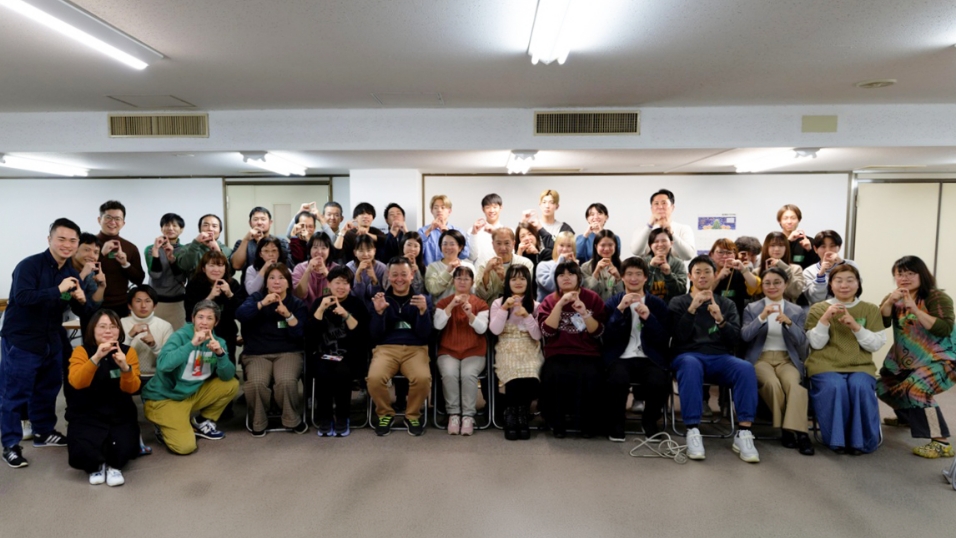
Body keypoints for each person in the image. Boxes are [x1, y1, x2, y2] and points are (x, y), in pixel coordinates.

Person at [1, 218, 86, 469]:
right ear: (49, 239)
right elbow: (22, 297)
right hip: (23, 340)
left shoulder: (71, 272)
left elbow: (78, 310)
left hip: (51, 339)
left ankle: (43, 432)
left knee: (48, 390)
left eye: (72, 240)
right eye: (61, 238)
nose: (67, 244)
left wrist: (81, 300)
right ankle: (10, 445)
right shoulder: (29, 265)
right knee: (14, 394)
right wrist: (57, 289)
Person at [668, 255, 760, 463]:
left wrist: (720, 320)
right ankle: (692, 430)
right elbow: (677, 337)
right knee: (690, 364)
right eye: (697, 272)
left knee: (745, 368)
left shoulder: (726, 304)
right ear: (690, 276)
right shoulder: (678, 302)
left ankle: (744, 432)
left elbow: (735, 339)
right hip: (687, 355)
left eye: (707, 272)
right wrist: (691, 310)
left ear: (714, 275)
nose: (702, 276)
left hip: (720, 357)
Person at [877, 256, 956, 458]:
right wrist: (889, 302)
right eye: (899, 273)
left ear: (922, 275)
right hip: (907, 360)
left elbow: (944, 328)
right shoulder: (895, 297)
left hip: (942, 359)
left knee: (917, 390)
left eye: (910, 273)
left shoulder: (936, 297)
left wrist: (915, 309)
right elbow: (881, 322)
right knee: (883, 387)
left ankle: (940, 441)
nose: (905, 278)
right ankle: (908, 418)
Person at [805, 264, 885, 454]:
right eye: (838, 281)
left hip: (860, 366)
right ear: (831, 285)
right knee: (834, 386)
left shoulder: (870, 309)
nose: (844, 285)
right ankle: (837, 440)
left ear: (858, 284)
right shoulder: (818, 309)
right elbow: (815, 344)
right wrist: (824, 319)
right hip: (824, 365)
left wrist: (856, 327)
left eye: (850, 280)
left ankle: (861, 442)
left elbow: (875, 344)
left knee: (860, 386)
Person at [142, 301, 240, 455]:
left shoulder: (218, 342)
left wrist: (220, 354)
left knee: (231, 384)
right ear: (193, 318)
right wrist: (192, 343)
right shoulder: (180, 336)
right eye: (200, 317)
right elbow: (164, 365)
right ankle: (161, 425)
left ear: (216, 322)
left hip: (190, 394)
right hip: (164, 399)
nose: (204, 322)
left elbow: (227, 376)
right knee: (186, 447)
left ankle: (201, 422)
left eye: (209, 318)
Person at [741, 267, 813, 455]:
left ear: (785, 284)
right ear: (762, 285)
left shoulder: (796, 310)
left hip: (786, 359)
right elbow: (745, 337)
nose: (772, 287)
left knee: (793, 386)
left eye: (777, 283)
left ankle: (798, 433)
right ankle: (792, 430)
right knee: (772, 385)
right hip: (760, 358)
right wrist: (761, 317)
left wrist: (789, 323)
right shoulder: (752, 308)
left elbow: (801, 341)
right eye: (767, 283)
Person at [66, 309, 140, 486]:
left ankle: (114, 467)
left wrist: (125, 368)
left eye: (113, 327)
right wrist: (97, 357)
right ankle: (96, 466)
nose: (108, 331)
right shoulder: (81, 352)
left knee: (123, 445)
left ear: (119, 331)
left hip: (119, 411)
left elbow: (133, 388)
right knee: (84, 446)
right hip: (87, 411)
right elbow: (77, 382)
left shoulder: (128, 352)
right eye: (102, 326)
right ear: (92, 329)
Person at [235, 264, 308, 436]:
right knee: (256, 383)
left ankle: (292, 419)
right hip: (257, 354)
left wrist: (289, 316)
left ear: (289, 283)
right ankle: (259, 421)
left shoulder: (296, 303)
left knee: (286, 381)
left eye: (281, 278)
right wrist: (261, 304)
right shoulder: (256, 298)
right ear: (266, 283)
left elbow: (301, 335)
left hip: (288, 352)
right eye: (272, 278)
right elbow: (240, 314)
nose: (277, 282)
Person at [602, 257, 670, 441]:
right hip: (621, 356)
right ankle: (617, 423)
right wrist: (619, 311)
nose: (634, 278)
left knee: (659, 380)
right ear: (622, 277)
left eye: (638, 274)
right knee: (617, 379)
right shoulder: (613, 302)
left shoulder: (657, 304)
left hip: (649, 357)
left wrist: (649, 318)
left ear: (646, 278)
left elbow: (663, 338)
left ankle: (649, 422)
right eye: (629, 274)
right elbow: (607, 337)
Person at [536, 260, 606, 438]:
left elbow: (598, 332)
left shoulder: (591, 298)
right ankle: (557, 424)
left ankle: (588, 424)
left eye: (570, 274)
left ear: (579, 277)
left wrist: (584, 312)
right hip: (558, 352)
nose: (566, 278)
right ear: (556, 279)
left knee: (590, 374)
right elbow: (547, 332)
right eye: (561, 275)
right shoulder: (549, 300)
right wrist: (559, 305)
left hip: (587, 352)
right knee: (554, 373)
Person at [367, 257, 434, 437]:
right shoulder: (380, 299)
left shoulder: (422, 299)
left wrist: (423, 313)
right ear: (388, 276)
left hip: (415, 349)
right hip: (386, 349)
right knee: (374, 378)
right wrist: (379, 313)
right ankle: (385, 413)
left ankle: (412, 414)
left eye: (404, 274)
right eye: (394, 274)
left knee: (422, 378)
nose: (399, 279)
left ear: (411, 275)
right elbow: (375, 336)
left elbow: (425, 335)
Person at [306, 266, 371, 437]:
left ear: (350, 286)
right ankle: (325, 418)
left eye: (345, 283)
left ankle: (343, 417)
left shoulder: (356, 304)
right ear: (329, 284)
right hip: (323, 354)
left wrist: (346, 315)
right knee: (322, 372)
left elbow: (361, 336)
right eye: (337, 283)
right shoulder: (319, 302)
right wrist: (320, 310)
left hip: (349, 355)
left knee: (343, 371)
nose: (341, 287)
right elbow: (310, 336)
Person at [434, 267, 490, 436]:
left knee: (467, 375)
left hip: (474, 351)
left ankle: (468, 415)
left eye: (466, 279)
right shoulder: (443, 303)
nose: (462, 282)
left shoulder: (481, 304)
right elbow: (438, 325)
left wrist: (470, 315)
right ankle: (453, 414)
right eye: (458, 278)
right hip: (448, 351)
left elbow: (482, 330)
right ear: (453, 281)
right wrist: (451, 306)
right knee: (449, 374)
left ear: (472, 282)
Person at [489, 265, 543, 441]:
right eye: (514, 279)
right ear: (507, 282)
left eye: (522, 278)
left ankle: (522, 413)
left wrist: (527, 315)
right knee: (512, 370)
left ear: (528, 282)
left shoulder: (536, 305)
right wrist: (505, 308)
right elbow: (495, 331)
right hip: (506, 344)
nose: (518, 282)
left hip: (529, 344)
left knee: (530, 369)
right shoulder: (498, 303)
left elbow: (537, 335)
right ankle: (511, 414)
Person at [184, 251, 242, 363]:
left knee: (226, 366)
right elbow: (190, 314)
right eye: (211, 265)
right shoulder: (194, 284)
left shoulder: (232, 284)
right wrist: (210, 297)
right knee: (204, 365)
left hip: (226, 333)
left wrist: (230, 295)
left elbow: (240, 313)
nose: (216, 269)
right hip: (201, 333)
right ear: (203, 268)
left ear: (225, 268)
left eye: (220, 265)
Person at [96, 200, 145, 317]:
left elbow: (139, 279)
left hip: (121, 305)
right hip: (92, 304)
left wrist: (125, 264)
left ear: (123, 223)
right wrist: (101, 254)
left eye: (117, 219)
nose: (112, 222)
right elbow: (79, 273)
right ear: (99, 220)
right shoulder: (87, 244)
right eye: (108, 217)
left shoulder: (130, 248)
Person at [144, 213, 187, 330]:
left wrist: (171, 258)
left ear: (181, 229)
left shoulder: (185, 250)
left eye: (175, 225)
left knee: (177, 338)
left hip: (177, 302)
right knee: (155, 338)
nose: (170, 228)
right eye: (167, 225)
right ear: (161, 228)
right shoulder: (151, 249)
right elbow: (155, 274)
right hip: (156, 302)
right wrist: (156, 252)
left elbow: (181, 278)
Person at [121, 285, 174, 377]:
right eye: (138, 301)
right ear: (130, 306)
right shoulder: (120, 323)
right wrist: (129, 337)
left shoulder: (165, 326)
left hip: (156, 377)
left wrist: (154, 346)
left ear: (155, 306)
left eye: (148, 301)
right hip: (126, 375)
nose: (143, 305)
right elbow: (113, 357)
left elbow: (170, 361)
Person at [630, 189, 696, 261]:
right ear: (651, 209)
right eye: (656, 203)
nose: (660, 207)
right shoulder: (641, 230)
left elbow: (688, 255)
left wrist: (672, 234)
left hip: (676, 271)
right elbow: (636, 251)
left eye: (664, 203)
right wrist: (649, 225)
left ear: (672, 207)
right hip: (649, 270)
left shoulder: (683, 228)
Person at [475, 228, 534, 303]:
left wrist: (505, 278)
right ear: (493, 244)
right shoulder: (484, 266)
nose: (503, 248)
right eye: (498, 243)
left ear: (513, 244)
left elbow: (526, 291)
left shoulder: (525, 264)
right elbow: (480, 296)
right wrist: (486, 273)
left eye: (507, 243)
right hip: (492, 310)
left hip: (519, 308)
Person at [230, 206, 292, 278]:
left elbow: (288, 266)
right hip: (249, 287)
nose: (259, 223)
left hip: (277, 285)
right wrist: (246, 239)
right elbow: (236, 266)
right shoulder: (242, 243)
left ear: (270, 222)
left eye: (263, 219)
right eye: (255, 219)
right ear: (250, 223)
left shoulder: (281, 242)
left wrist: (263, 243)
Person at [709, 238, 760, 323]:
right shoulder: (706, 272)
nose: (725, 256)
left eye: (729, 253)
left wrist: (743, 269)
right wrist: (719, 277)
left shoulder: (738, 273)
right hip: (708, 318)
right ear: (711, 254)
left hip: (734, 319)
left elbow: (755, 287)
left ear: (735, 255)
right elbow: (700, 294)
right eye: (720, 252)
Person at [802, 230, 858, 305]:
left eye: (832, 246)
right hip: (820, 313)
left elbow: (856, 291)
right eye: (823, 246)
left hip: (849, 309)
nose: (828, 250)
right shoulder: (809, 272)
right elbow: (814, 299)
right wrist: (821, 274)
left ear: (839, 247)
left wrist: (841, 263)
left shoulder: (851, 265)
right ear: (815, 249)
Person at [419, 194, 470, 265]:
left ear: (449, 211)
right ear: (431, 211)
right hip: (430, 273)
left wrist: (449, 233)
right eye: (436, 208)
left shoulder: (458, 231)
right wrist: (429, 230)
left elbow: (464, 254)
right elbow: (417, 254)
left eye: (443, 207)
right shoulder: (423, 231)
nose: (439, 210)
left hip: (453, 272)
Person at [425, 229, 475, 301]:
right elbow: (432, 290)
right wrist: (447, 271)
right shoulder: (433, 267)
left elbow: (474, 292)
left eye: (452, 244)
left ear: (460, 247)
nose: (448, 247)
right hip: (441, 310)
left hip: (465, 309)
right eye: (445, 244)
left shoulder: (469, 267)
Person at [642, 228, 687, 304]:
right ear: (650, 245)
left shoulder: (678, 263)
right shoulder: (642, 262)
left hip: (671, 308)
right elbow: (641, 290)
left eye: (664, 241)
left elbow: (681, 292)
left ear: (671, 243)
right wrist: (651, 268)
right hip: (646, 307)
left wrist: (668, 275)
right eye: (656, 241)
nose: (660, 244)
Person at [760, 231, 806, 304]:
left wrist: (785, 268)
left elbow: (794, 293)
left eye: (781, 245)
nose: (777, 249)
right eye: (772, 245)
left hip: (787, 310)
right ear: (766, 247)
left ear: (786, 248)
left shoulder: (795, 269)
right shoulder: (758, 270)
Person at [291, 232, 338, 305]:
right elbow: (300, 295)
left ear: (329, 251)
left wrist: (326, 273)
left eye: (323, 248)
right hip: (305, 311)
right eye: (315, 247)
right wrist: (308, 271)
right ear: (310, 249)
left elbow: (339, 293)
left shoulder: (336, 269)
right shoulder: (299, 268)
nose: (319, 252)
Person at [580, 230, 625, 302]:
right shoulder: (585, 267)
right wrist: (596, 273)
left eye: (610, 245)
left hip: (616, 309)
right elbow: (587, 293)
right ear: (596, 246)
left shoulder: (624, 266)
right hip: (594, 310)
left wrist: (618, 278)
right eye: (602, 245)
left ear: (615, 246)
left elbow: (625, 295)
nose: (607, 249)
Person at [69, 232, 107, 314]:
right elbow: (62, 298)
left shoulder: (90, 272)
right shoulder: (61, 267)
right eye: (87, 250)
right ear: (75, 250)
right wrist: (82, 275)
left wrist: (102, 287)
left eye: (96, 252)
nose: (92, 256)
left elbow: (92, 306)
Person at [531, 189, 574, 262]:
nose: (547, 206)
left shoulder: (565, 228)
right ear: (540, 205)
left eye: (551, 203)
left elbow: (560, 251)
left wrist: (541, 229)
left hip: (559, 269)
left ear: (557, 206)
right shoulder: (532, 226)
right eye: (544, 202)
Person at [535, 231, 576, 302]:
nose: (565, 249)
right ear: (556, 246)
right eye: (561, 245)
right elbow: (552, 286)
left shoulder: (576, 266)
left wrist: (576, 269)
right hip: (547, 309)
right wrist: (560, 260)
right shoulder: (543, 266)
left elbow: (578, 289)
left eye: (569, 246)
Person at [345, 234, 388, 300]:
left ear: (374, 251)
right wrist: (357, 275)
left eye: (368, 250)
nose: (365, 254)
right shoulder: (348, 268)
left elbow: (378, 295)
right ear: (355, 253)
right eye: (361, 251)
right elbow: (356, 296)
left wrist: (374, 279)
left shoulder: (382, 268)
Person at [777, 204, 819, 269]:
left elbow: (816, 266)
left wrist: (810, 251)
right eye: (785, 218)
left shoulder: (808, 241)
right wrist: (788, 242)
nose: (789, 222)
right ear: (779, 221)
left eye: (793, 218)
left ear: (799, 220)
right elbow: (774, 262)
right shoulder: (774, 241)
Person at [467, 193, 504, 266]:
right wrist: (474, 234)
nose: (491, 210)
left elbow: (509, 255)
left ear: (501, 208)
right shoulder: (473, 230)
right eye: (488, 207)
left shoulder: (507, 231)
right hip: (479, 274)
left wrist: (496, 232)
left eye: (495, 207)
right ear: (483, 209)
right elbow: (472, 257)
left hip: (500, 273)